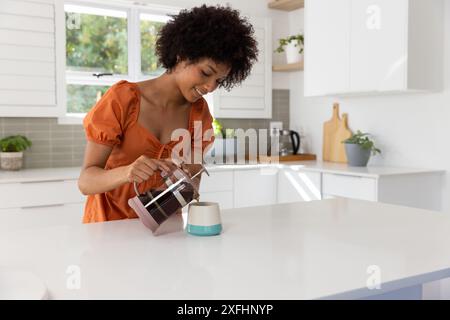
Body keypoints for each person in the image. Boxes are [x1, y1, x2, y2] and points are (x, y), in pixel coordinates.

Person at [78, 4, 258, 223]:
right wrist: (127, 172)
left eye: (219, 80)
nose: (211, 87)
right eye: (206, 73)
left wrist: (190, 180)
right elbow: (86, 182)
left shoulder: (199, 115)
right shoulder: (121, 99)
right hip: (107, 230)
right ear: (182, 56)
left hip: (165, 231)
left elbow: (191, 184)